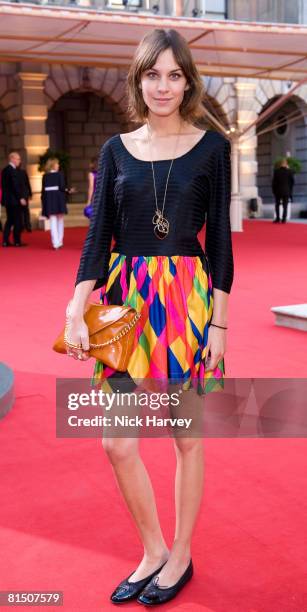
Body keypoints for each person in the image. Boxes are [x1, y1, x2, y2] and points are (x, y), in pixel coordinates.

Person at [64, 28, 234, 606]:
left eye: (174, 74)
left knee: (185, 437)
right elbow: (97, 237)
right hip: (123, 303)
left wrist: (219, 323)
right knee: (117, 443)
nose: (163, 85)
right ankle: (153, 549)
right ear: (139, 79)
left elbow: (221, 245)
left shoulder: (212, 148)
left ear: (187, 81)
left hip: (185, 301)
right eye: (153, 74)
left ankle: (181, 555)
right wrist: (75, 308)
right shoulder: (115, 150)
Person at [1, 151, 28, 247]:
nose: (19, 161)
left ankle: (5, 241)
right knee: (18, 221)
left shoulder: (4, 170)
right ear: (12, 159)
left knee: (10, 221)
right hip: (14, 200)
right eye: (18, 159)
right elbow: (15, 186)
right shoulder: (12, 170)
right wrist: (20, 197)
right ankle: (17, 241)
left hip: (8, 200)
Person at [41, 157, 68, 250]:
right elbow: (62, 187)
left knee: (52, 221)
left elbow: (43, 191)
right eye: (57, 164)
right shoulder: (59, 175)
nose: (58, 165)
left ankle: (55, 243)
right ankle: (59, 241)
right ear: (53, 165)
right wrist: (67, 190)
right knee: (60, 220)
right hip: (58, 199)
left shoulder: (45, 176)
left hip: (49, 200)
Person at [272, 157, 294, 223]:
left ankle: (278, 218)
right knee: (285, 205)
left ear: (281, 164)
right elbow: (292, 182)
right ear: (286, 164)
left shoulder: (276, 171)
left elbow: (274, 182)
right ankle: (284, 219)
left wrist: (274, 191)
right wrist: (290, 190)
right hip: (286, 191)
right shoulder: (290, 171)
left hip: (278, 191)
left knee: (277, 205)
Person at [19, 163, 33, 232]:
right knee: (24, 211)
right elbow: (27, 183)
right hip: (20, 194)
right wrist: (30, 193)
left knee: (24, 211)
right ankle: (25, 226)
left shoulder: (23, 172)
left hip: (23, 194)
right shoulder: (22, 172)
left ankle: (26, 226)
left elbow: (27, 183)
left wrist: (30, 193)